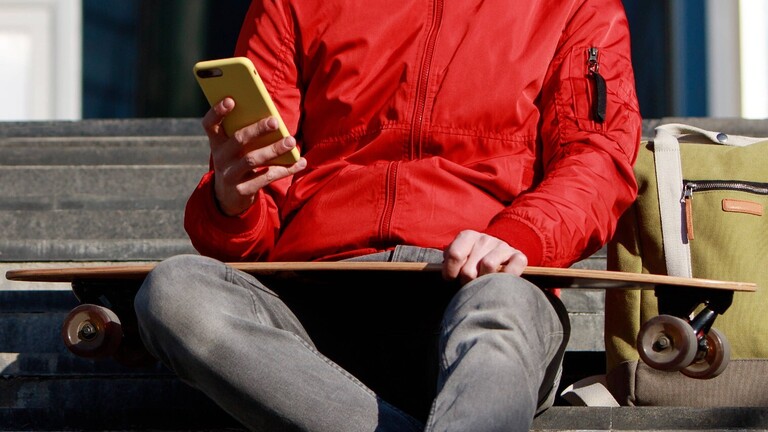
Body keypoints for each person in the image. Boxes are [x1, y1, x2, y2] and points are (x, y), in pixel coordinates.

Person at [134, 0, 641, 430]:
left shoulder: (575, 5)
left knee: (503, 305)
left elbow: (597, 157)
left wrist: (519, 236)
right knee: (176, 291)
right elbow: (260, 211)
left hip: (476, 290)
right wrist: (232, 203)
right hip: (309, 318)